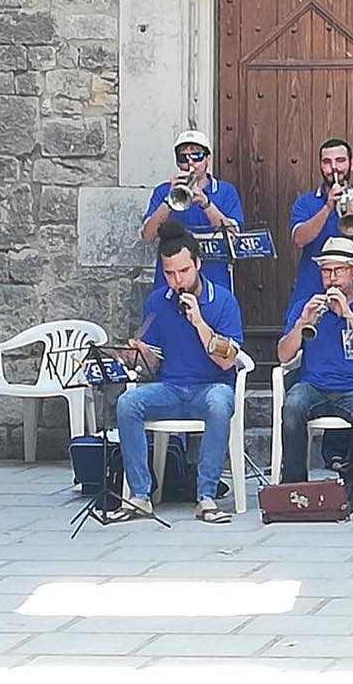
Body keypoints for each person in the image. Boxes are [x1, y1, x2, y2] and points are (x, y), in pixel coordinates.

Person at [112, 219, 244, 524]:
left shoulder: (223, 300)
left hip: (211, 386)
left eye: (183, 271)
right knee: (128, 403)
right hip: (171, 388)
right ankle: (140, 495)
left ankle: (206, 496)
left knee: (220, 403)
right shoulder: (158, 300)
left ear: (198, 264)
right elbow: (153, 365)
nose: (177, 280)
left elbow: (227, 361)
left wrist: (198, 321)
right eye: (169, 273)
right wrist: (140, 353)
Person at [289, 138, 353, 472]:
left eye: (340, 161)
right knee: (318, 366)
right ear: (320, 166)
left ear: (351, 164)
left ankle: (347, 469)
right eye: (328, 162)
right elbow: (300, 239)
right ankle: (298, 483)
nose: (335, 168)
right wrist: (328, 209)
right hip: (311, 294)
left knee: (351, 368)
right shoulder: (307, 203)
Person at [276, 237, 353, 512]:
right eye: (326, 271)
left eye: (338, 271)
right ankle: (295, 487)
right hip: (314, 385)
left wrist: (347, 314)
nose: (332, 278)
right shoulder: (307, 305)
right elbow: (283, 356)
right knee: (292, 407)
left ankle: (351, 482)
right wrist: (303, 321)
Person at [141, 130, 244, 292]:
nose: (190, 163)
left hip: (214, 281)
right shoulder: (163, 192)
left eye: (197, 156)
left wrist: (206, 204)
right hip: (170, 283)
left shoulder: (226, 191)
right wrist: (169, 200)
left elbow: (234, 236)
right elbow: (148, 235)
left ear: (208, 158)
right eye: (183, 158)